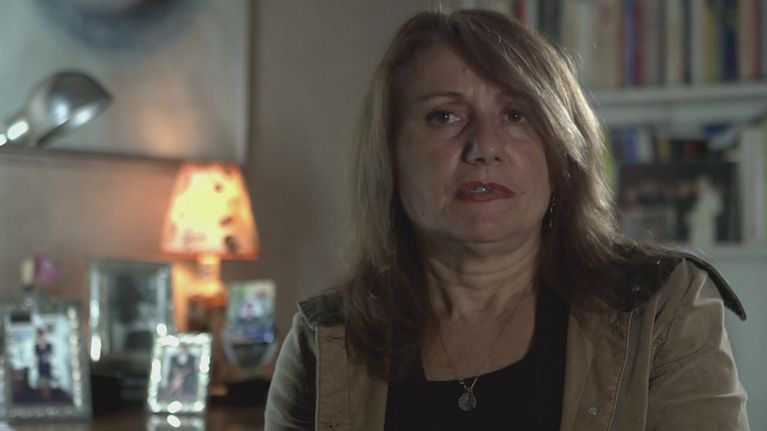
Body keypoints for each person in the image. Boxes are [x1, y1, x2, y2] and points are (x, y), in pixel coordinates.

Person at [265, 9, 749, 431]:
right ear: (390, 154)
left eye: (517, 115)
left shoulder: (662, 307)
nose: (485, 147)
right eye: (444, 116)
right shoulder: (326, 342)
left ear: (562, 149)